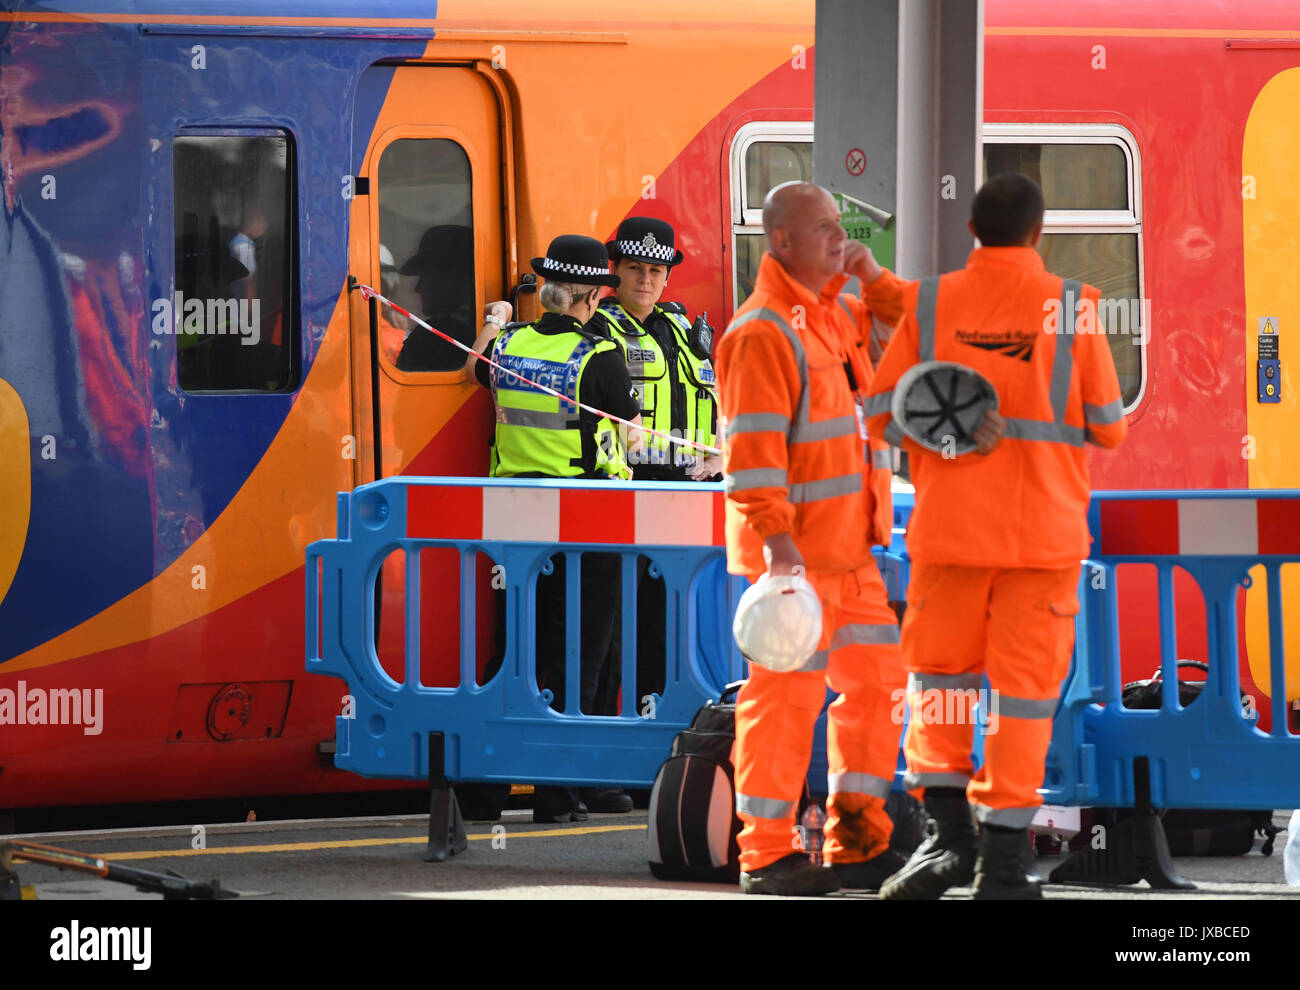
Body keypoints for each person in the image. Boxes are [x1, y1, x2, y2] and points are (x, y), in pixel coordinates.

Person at [865, 172, 1127, 900]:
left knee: (940, 687)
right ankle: (1003, 867)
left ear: (972, 231)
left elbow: (881, 417)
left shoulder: (928, 302)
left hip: (948, 539)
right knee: (1023, 697)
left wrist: (947, 420)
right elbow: (1107, 422)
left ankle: (947, 841)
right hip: (1040, 542)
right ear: (1038, 234)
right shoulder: (1075, 308)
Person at [715, 181, 911, 895]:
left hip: (852, 555)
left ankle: (858, 843)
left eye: (841, 224)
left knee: (878, 693)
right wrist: (778, 548)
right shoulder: (763, 331)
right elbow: (752, 453)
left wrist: (871, 273)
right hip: (797, 562)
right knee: (785, 706)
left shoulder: (836, 313)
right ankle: (765, 856)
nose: (840, 235)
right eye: (825, 227)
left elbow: (915, 318)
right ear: (781, 242)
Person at [465, 234, 644, 822]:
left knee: (511, 652)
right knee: (580, 659)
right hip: (587, 528)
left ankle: (483, 791)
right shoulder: (600, 358)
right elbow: (633, 427)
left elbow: (474, 369)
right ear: (590, 297)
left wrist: (494, 321)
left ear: (546, 293)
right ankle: (557, 795)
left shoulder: (509, 343)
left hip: (514, 524)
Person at [593, 217, 722, 712]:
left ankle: (662, 740)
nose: (646, 279)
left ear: (668, 276)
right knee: (612, 634)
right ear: (615, 271)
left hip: (688, 500)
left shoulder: (683, 327)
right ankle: (606, 761)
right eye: (634, 268)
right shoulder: (597, 329)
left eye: (655, 269)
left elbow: (710, 403)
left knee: (669, 633)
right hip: (623, 500)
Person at [397, 224, 477, 371]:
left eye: (425, 276)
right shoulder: (487, 330)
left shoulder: (432, 337)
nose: (417, 288)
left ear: (451, 277)